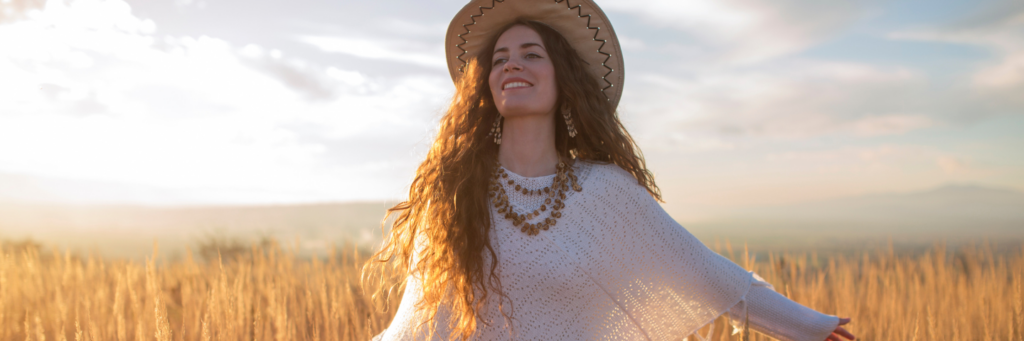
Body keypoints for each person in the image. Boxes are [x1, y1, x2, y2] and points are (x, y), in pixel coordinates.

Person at [367, 1, 856, 340]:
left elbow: (709, 274)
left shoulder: (605, 193)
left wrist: (808, 326)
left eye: (531, 54)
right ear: (486, 85)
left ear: (565, 79)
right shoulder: (455, 197)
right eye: (500, 59)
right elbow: (416, 327)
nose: (511, 65)